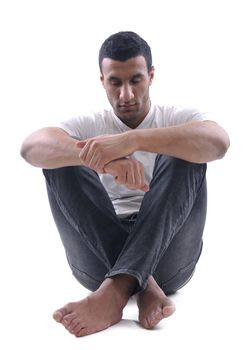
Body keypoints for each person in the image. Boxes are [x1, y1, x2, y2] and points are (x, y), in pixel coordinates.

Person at [20, 31, 230, 337]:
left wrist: (130, 140)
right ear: (102, 81)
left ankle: (115, 292)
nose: (126, 95)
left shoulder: (174, 117)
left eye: (136, 80)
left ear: (151, 76)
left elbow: (219, 142)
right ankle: (140, 286)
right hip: (98, 258)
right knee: (62, 159)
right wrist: (103, 160)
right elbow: (31, 148)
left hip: (169, 258)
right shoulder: (91, 124)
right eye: (115, 82)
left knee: (186, 149)